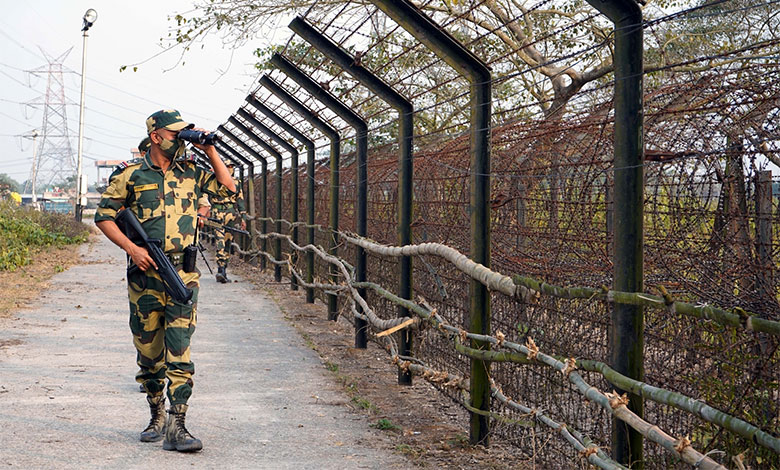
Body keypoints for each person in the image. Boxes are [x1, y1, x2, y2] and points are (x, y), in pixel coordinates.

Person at [95, 109, 236, 452]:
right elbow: (104, 216)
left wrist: (210, 150)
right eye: (175, 135)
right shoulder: (130, 175)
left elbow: (229, 190)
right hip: (145, 277)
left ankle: (178, 424)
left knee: (180, 350)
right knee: (149, 353)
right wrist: (131, 248)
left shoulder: (192, 172)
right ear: (156, 136)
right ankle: (156, 411)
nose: (181, 140)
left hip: (182, 276)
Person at [208, 161, 247, 283]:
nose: (230, 169)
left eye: (231, 167)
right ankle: (221, 268)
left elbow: (240, 201)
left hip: (229, 213)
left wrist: (243, 218)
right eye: (227, 167)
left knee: (227, 240)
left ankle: (224, 268)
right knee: (220, 240)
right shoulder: (214, 179)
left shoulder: (236, 182)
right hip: (217, 212)